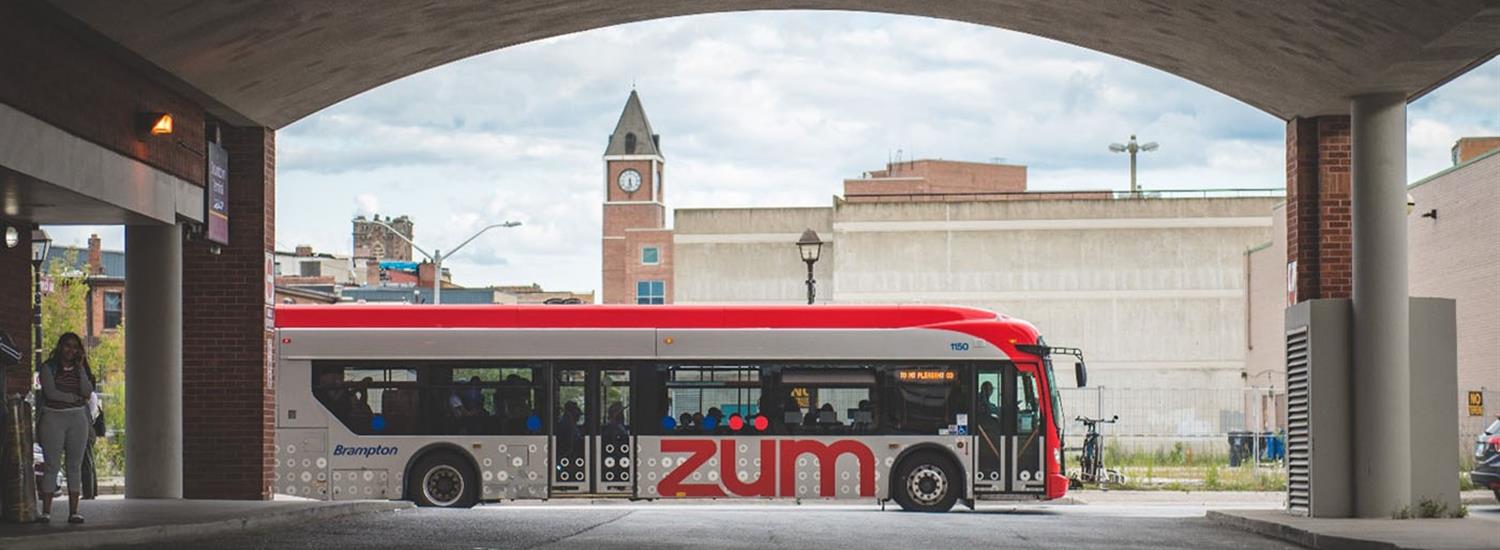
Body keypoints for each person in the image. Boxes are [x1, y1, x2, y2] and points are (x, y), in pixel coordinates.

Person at [36, 332, 95, 524]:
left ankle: (74, 511)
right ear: (60, 346)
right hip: (53, 417)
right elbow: (51, 393)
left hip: (77, 418)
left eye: (75, 347)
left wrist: (79, 369)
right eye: (67, 346)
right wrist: (73, 398)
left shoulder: (80, 368)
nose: (71, 350)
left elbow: (87, 391)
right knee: (51, 465)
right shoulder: (48, 367)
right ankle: (46, 512)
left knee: (74, 465)